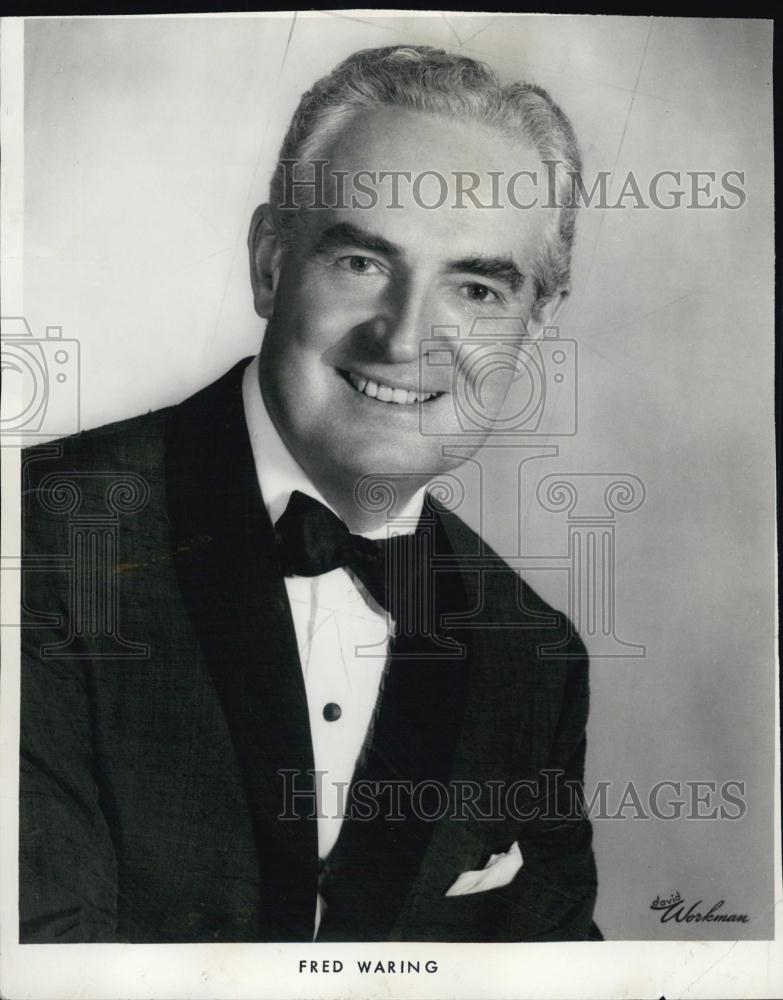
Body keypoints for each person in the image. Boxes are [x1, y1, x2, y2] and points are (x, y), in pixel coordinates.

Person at [20, 44, 600, 943]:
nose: (406, 338)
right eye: (362, 262)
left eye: (476, 286)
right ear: (267, 263)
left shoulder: (535, 659)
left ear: (533, 327)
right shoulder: (37, 545)